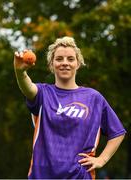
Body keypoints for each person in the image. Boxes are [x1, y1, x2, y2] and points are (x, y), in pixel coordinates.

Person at [14, 36, 126, 179]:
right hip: (42, 176)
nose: (65, 63)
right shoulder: (43, 93)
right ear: (51, 64)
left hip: (79, 176)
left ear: (78, 64)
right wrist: (20, 72)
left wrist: (101, 160)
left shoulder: (93, 98)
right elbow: (27, 87)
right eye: (59, 59)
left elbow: (117, 133)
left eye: (70, 59)